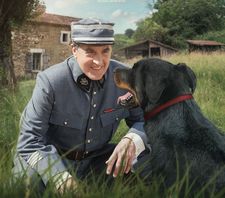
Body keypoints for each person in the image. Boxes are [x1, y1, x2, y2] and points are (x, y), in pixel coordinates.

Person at [13, 18, 149, 193]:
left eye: (105, 51)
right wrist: (59, 177)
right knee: (27, 182)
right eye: (90, 52)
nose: (99, 62)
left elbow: (146, 120)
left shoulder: (127, 78)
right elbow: (29, 142)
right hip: (53, 157)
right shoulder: (50, 82)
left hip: (98, 159)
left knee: (150, 157)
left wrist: (133, 139)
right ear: (74, 50)